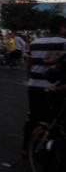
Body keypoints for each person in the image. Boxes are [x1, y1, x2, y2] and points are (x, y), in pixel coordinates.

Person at [22, 15, 66, 157]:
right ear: (62, 28)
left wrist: (30, 79)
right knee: (54, 121)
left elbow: (29, 63)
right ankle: (51, 150)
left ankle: (25, 148)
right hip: (56, 89)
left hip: (34, 87)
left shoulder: (35, 42)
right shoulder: (64, 43)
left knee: (33, 118)